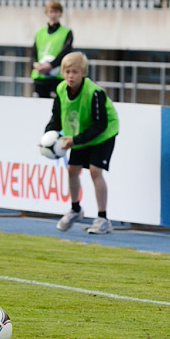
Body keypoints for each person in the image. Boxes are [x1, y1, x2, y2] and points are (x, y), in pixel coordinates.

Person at [44, 52, 119, 234]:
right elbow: (57, 118)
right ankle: (75, 209)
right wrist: (47, 137)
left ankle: (103, 218)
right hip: (78, 134)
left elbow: (101, 124)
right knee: (72, 171)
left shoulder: (94, 93)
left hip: (103, 133)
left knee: (95, 171)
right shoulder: (61, 90)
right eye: (68, 72)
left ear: (83, 73)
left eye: (75, 72)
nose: (71, 76)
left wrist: (75, 140)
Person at [31, 0, 73, 99]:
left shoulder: (66, 31)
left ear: (60, 13)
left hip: (56, 76)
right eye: (51, 11)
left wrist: (50, 65)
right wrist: (35, 64)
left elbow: (66, 52)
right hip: (40, 76)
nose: (53, 14)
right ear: (47, 12)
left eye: (56, 11)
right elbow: (33, 51)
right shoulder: (40, 31)